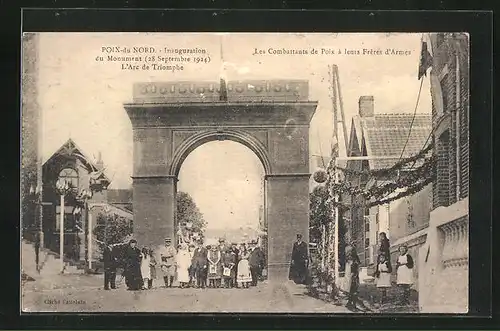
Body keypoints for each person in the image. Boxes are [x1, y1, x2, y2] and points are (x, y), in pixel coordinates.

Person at [345, 245, 361, 311]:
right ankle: (352, 305)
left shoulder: (354, 261)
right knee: (353, 291)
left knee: (353, 291)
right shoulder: (349, 261)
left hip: (354, 277)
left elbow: (356, 268)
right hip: (351, 278)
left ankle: (350, 304)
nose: (349, 254)